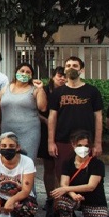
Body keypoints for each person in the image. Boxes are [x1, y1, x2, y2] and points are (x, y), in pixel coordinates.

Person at [48, 56, 103, 184]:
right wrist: (51, 142)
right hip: (63, 140)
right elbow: (52, 117)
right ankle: (61, 203)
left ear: (81, 70)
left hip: (86, 142)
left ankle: (84, 203)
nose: (70, 68)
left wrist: (98, 143)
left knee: (84, 174)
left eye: (74, 66)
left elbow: (98, 117)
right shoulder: (58, 92)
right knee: (61, 174)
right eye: (68, 66)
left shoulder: (92, 91)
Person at [51, 130, 108, 217]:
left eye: (86, 146)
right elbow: (64, 183)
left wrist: (67, 189)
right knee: (61, 200)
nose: (83, 148)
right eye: (80, 145)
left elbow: (91, 186)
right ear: (73, 145)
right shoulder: (67, 163)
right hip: (74, 198)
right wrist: (72, 194)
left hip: (94, 201)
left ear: (91, 147)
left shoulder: (97, 164)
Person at [0, 63, 46, 159]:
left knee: (27, 159)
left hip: (29, 132)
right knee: (7, 159)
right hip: (7, 130)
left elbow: (42, 107)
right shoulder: (5, 89)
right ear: (16, 72)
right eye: (22, 71)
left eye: (28, 72)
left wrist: (40, 89)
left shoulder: (35, 90)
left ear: (31, 76)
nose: (24, 73)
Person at [39, 66, 65, 208]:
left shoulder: (69, 91)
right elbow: (36, 110)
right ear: (53, 76)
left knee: (61, 167)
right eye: (59, 75)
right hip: (46, 132)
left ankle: (61, 197)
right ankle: (50, 197)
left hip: (63, 131)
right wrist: (46, 121)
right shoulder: (44, 90)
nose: (62, 78)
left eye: (64, 76)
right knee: (49, 167)